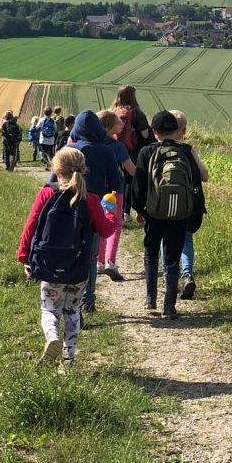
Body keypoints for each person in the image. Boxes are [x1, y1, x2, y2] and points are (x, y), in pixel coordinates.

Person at [17, 147, 114, 368]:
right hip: (77, 267)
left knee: (50, 309)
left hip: (49, 264)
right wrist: (110, 213)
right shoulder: (89, 198)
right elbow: (106, 230)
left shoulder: (47, 194)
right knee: (72, 310)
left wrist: (24, 257)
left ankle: (52, 336)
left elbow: (31, 226)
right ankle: (69, 359)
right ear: (84, 170)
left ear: (56, 171)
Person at [131, 110, 206, 319]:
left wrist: (139, 209)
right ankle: (170, 305)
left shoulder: (147, 151)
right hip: (180, 214)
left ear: (154, 131)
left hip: (154, 212)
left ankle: (150, 299)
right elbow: (195, 184)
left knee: (151, 252)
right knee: (172, 256)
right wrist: (193, 211)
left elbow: (138, 185)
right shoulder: (186, 151)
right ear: (176, 131)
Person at [66, 109, 124, 314]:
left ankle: (68, 296)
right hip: (94, 208)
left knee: (70, 252)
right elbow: (116, 184)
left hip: (68, 209)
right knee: (91, 256)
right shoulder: (105, 151)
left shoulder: (68, 149)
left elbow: (54, 180)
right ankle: (88, 299)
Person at [169, 110, 208, 300]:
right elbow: (204, 176)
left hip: (166, 206)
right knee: (186, 241)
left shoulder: (156, 149)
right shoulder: (188, 149)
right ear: (184, 130)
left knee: (166, 241)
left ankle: (169, 280)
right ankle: (187, 275)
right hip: (189, 205)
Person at [95, 110, 137, 282]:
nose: (122, 125)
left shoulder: (94, 144)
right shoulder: (117, 146)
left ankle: (99, 262)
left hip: (96, 191)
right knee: (115, 224)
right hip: (114, 192)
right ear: (110, 126)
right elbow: (132, 170)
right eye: (119, 123)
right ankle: (110, 261)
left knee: (99, 224)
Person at [110, 85, 152, 221]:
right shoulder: (136, 114)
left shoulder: (112, 112)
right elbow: (145, 135)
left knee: (113, 178)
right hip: (132, 150)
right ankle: (126, 213)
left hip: (113, 149)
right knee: (129, 181)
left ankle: (112, 209)